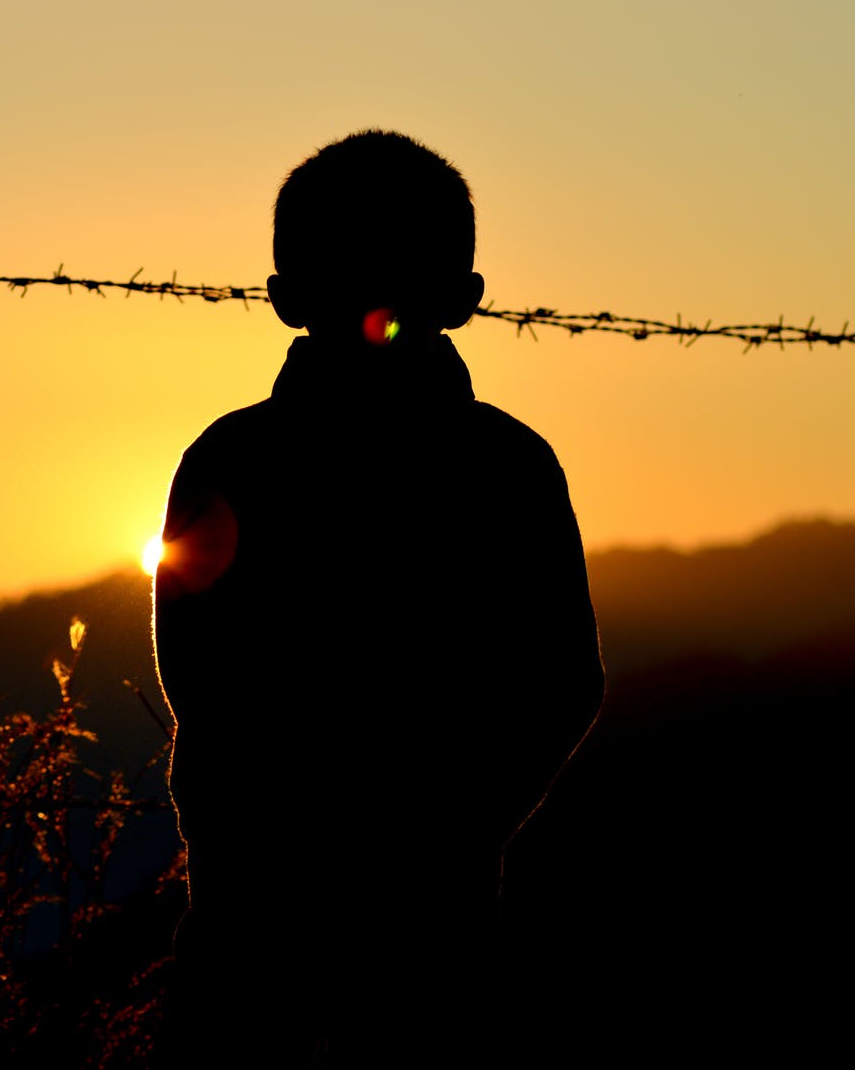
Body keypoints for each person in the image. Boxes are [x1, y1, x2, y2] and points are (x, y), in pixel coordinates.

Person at [152, 130, 605, 1064]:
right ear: (470, 300)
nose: (376, 315)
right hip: (432, 919)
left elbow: (196, 677)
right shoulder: (508, 468)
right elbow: (562, 682)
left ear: (281, 299)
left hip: (258, 913)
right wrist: (456, 831)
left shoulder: (232, 459)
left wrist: (271, 827)